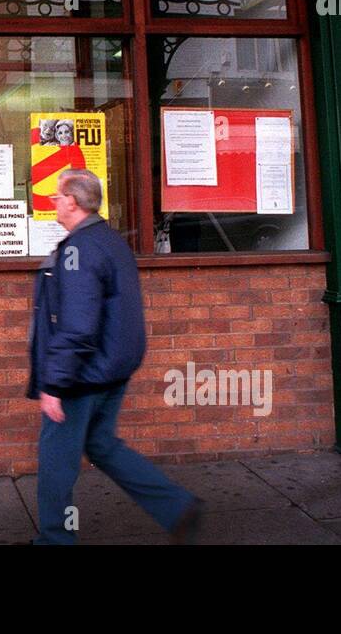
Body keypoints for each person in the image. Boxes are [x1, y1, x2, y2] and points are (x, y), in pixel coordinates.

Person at [27, 168, 203, 545]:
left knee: (56, 459)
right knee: (103, 445)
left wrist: (54, 382)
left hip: (81, 376)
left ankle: (55, 539)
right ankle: (177, 506)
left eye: (57, 196)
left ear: (73, 202)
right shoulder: (109, 240)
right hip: (112, 370)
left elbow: (77, 325)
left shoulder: (79, 249)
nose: (53, 203)